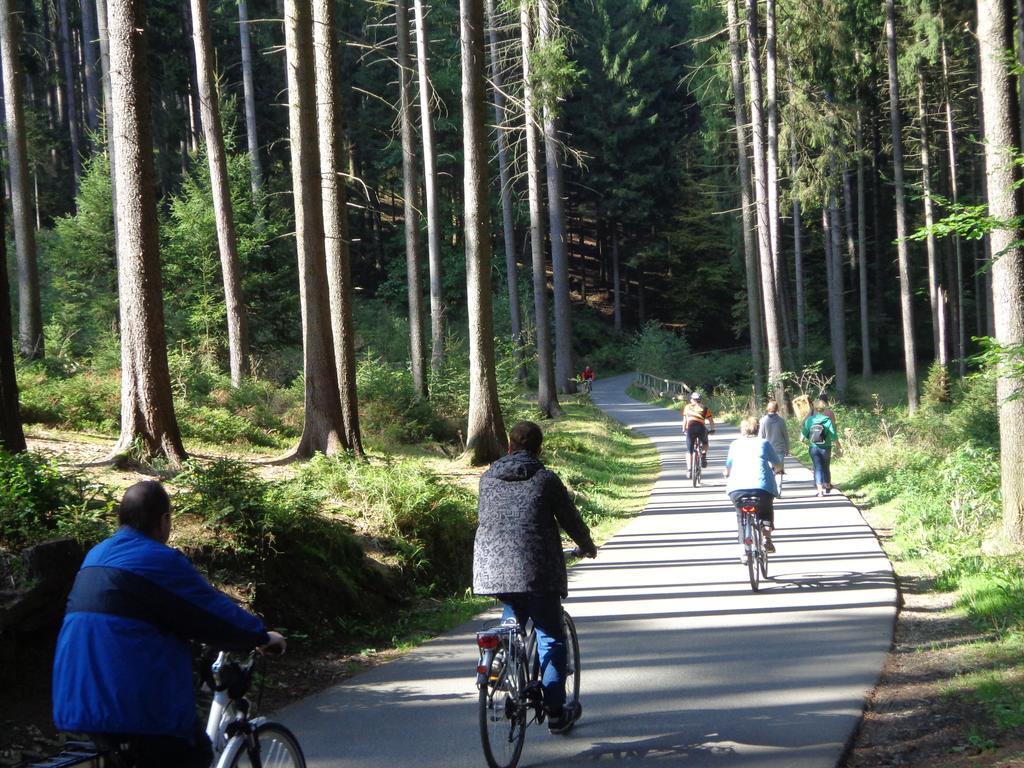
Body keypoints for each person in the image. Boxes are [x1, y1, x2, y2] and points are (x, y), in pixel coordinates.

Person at [52, 481, 286, 768]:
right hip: (132, 702)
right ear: (163, 520)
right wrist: (260, 636)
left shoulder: (95, 556)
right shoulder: (159, 559)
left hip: (78, 696)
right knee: (194, 753)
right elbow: (210, 610)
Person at [472, 421, 597, 735]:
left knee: (514, 607)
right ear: (539, 448)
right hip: (537, 570)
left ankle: (501, 651)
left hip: (492, 568)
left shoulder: (488, 478)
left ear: (509, 447)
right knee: (551, 637)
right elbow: (569, 517)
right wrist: (586, 545)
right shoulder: (545, 479)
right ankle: (556, 713)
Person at [724, 416, 783, 560]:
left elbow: (728, 468)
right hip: (761, 488)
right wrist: (777, 470)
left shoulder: (735, 445)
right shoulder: (764, 443)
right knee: (766, 511)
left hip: (737, 490)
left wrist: (726, 474)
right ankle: (767, 537)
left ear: (742, 430)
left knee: (740, 516)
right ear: (757, 429)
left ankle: (745, 551)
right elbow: (778, 464)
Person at [801, 398, 840, 496]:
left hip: (813, 447)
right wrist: (838, 446)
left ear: (814, 408)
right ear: (824, 409)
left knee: (817, 467)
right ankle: (827, 485)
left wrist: (804, 440)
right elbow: (833, 435)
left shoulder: (810, 420)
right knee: (826, 466)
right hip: (826, 447)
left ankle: (819, 490)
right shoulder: (827, 420)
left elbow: (803, 435)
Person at [757, 400, 789, 494]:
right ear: (777, 409)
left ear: (768, 408)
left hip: (767, 450)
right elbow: (785, 435)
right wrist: (787, 447)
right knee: (779, 470)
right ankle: (778, 491)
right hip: (780, 449)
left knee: (769, 471)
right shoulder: (781, 421)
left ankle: (770, 490)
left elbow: (760, 436)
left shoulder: (763, 420)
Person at [681, 391, 716, 478]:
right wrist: (713, 430)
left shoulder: (687, 407)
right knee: (705, 443)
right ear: (700, 400)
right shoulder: (705, 408)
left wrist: (683, 430)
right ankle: (703, 456)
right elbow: (711, 420)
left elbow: (685, 420)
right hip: (701, 428)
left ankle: (689, 470)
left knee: (689, 451)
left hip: (691, 429)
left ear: (692, 399)